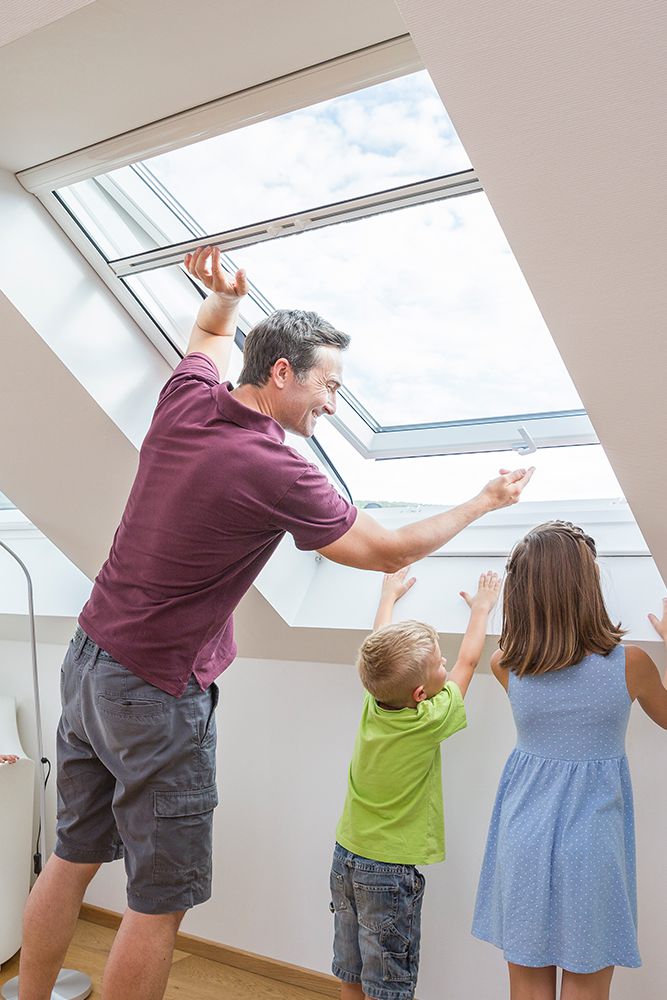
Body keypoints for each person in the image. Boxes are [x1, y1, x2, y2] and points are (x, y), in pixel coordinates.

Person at [19, 246, 533, 1000]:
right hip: (154, 691)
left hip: (90, 659)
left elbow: (206, 338)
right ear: (284, 372)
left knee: (70, 856)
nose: (334, 405)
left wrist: (225, 300)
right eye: (329, 386)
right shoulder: (275, 467)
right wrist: (485, 502)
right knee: (157, 902)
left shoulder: (189, 399)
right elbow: (385, 549)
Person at [472, 522, 667, 1000]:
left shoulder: (506, 665)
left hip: (522, 836)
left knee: (527, 987)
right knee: (586, 984)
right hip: (592, 845)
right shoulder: (631, 665)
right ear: (586, 587)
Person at [331, 566, 501, 1000]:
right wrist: (481, 609)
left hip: (345, 856)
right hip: (387, 871)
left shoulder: (374, 700)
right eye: (438, 664)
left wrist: (388, 596)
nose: (445, 663)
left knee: (351, 969)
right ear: (421, 695)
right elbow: (468, 662)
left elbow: (377, 644)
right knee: (388, 984)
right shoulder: (428, 720)